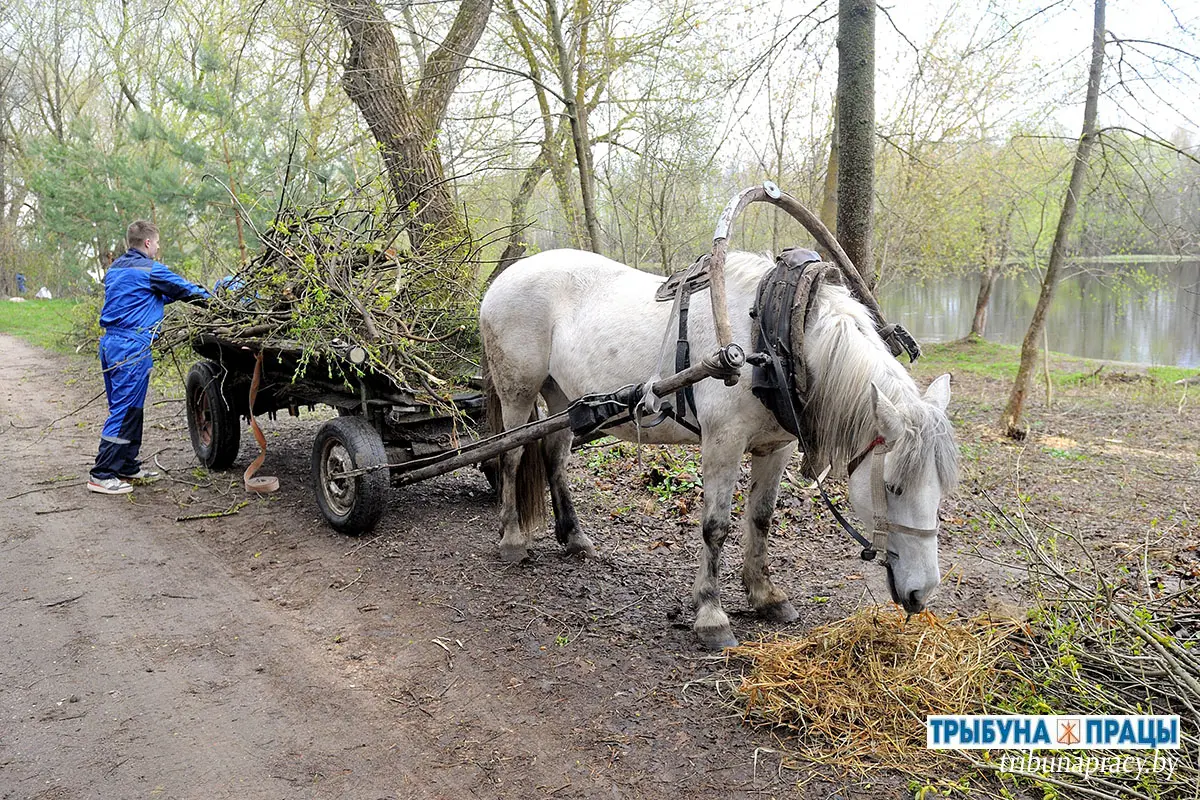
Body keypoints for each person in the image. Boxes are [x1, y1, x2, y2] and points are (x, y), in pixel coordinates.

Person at [88, 220, 210, 495]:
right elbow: (185, 290)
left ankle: (126, 465)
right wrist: (214, 302)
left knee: (131, 409)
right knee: (124, 410)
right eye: (156, 242)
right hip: (131, 346)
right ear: (147, 243)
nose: (158, 247)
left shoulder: (117, 268)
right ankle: (102, 473)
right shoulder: (150, 270)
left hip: (111, 344)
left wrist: (168, 297)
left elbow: (142, 298)